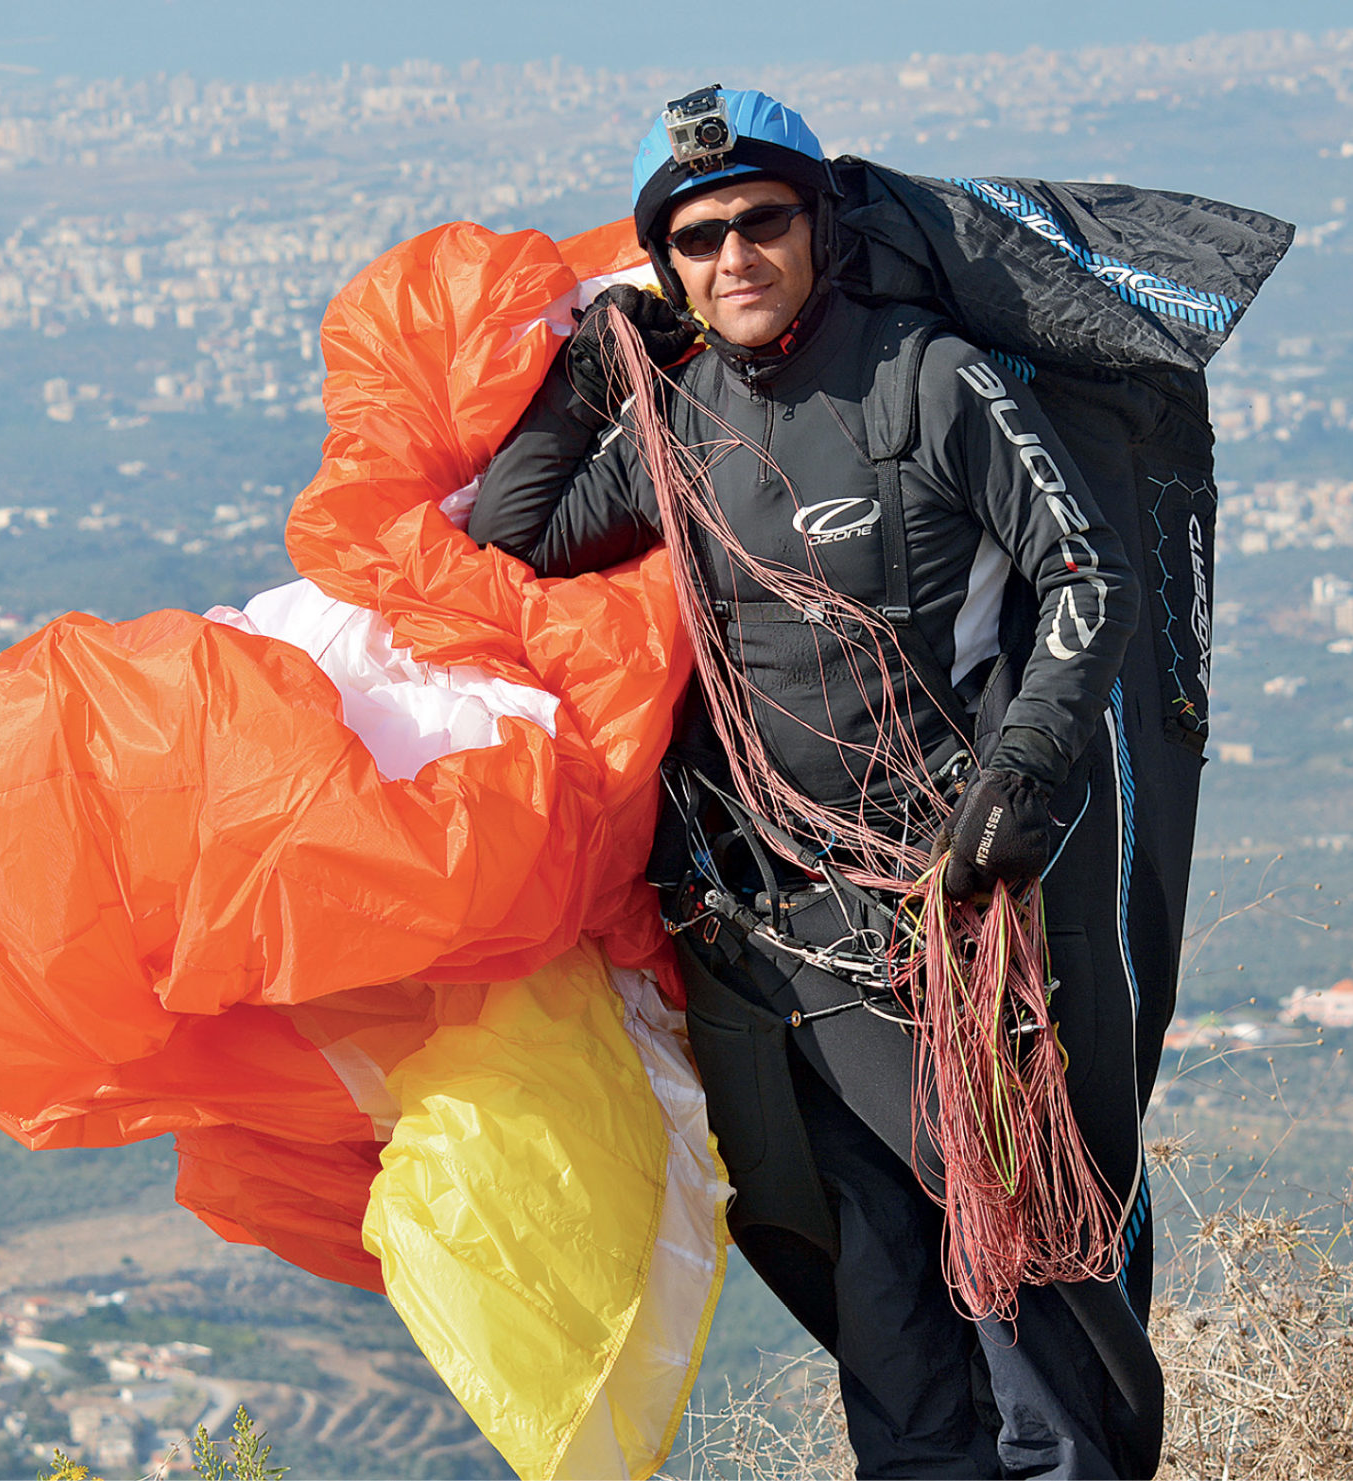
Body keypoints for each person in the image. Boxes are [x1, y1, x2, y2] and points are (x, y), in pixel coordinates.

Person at [469, 86, 1159, 1478]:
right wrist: (599, 372)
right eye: (699, 237)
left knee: (1022, 1284)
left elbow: (1088, 575)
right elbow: (515, 535)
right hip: (792, 948)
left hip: (956, 926)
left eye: (761, 221)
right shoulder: (682, 426)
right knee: (889, 1319)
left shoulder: (927, 380)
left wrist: (1017, 782)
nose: (734, 257)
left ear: (818, 223)